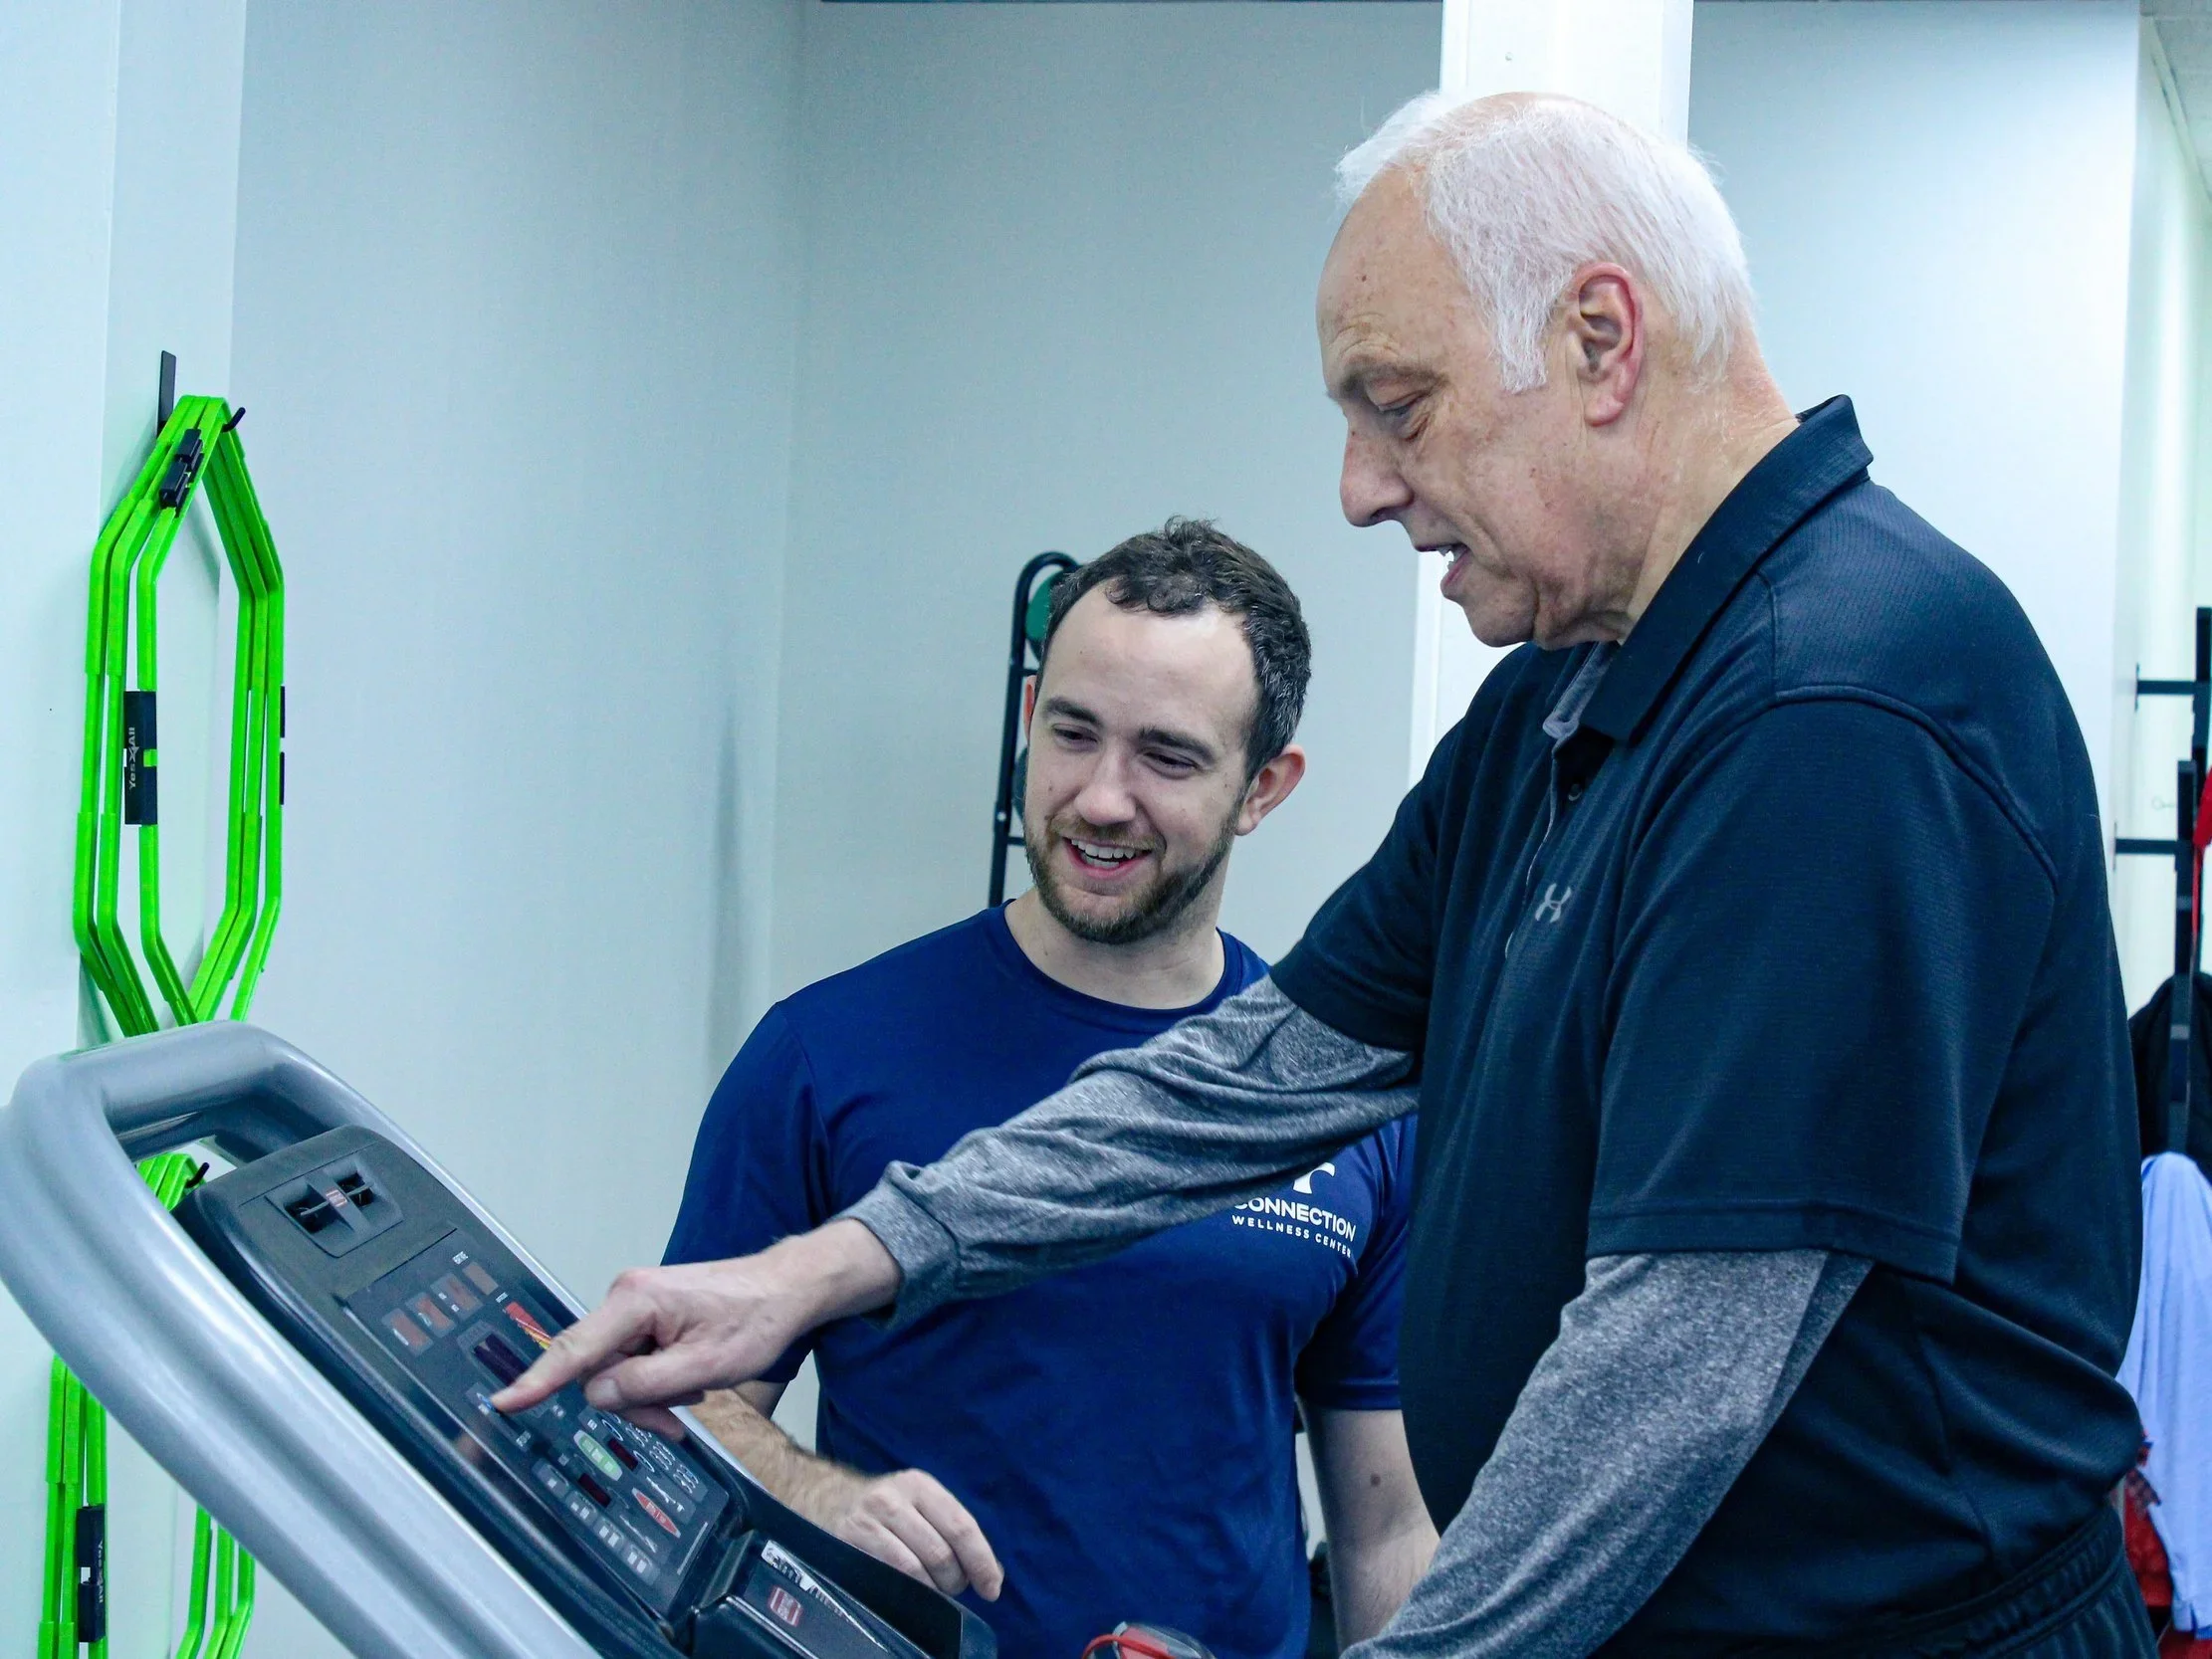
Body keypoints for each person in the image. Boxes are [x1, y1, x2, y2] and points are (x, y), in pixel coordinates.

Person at [503, 94, 2153, 1658]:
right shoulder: (1565, 699)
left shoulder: (1831, 701)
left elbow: (1677, 1371)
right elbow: (1252, 1075)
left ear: (1598, 339)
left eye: (1396, 403)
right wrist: (823, 1266)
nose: (1360, 488)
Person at [659, 519, 1436, 1659]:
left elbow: (1385, 1524)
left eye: (1166, 756)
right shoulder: (824, 1053)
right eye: (1072, 732)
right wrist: (816, 1497)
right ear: (1030, 720)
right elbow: (677, 1407)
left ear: (1263, 787)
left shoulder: (1337, 1095)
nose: (1100, 797)